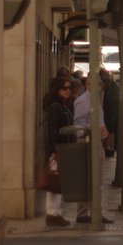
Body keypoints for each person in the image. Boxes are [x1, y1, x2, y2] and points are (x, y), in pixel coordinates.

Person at [43, 77, 75, 227]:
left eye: (69, 88)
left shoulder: (64, 106)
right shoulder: (55, 107)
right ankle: (52, 213)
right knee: (54, 182)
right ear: (58, 90)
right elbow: (52, 130)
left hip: (64, 149)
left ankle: (56, 212)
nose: (68, 91)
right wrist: (54, 150)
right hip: (58, 149)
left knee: (59, 182)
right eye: (64, 88)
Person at [99, 67, 122, 179]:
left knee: (108, 135)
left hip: (108, 116)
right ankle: (109, 150)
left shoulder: (108, 86)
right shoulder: (113, 86)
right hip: (111, 117)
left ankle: (108, 149)